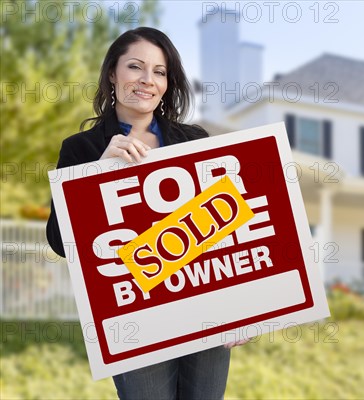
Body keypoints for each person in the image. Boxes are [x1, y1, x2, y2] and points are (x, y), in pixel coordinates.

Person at [45, 27, 247, 400]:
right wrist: (96, 174)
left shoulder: (194, 141)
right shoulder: (82, 148)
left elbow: (225, 229)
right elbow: (60, 241)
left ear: (168, 82)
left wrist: (239, 310)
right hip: (134, 317)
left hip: (204, 307)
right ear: (112, 74)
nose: (147, 80)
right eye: (135, 67)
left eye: (159, 71)